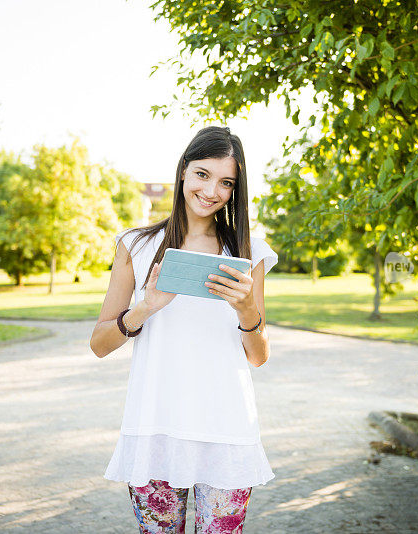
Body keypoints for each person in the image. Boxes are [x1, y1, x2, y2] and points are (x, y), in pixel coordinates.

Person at [90, 125, 278, 533]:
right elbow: (100, 344)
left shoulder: (248, 253)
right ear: (183, 172)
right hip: (154, 429)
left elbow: (259, 356)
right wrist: (146, 307)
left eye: (226, 182)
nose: (211, 191)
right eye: (203, 174)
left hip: (226, 431)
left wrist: (247, 308)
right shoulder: (136, 246)